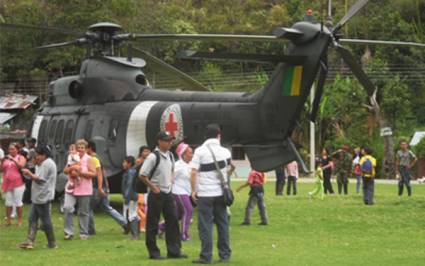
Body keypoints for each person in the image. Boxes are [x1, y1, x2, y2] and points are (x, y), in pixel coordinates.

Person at [139, 131, 186, 260]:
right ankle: (154, 252)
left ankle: (174, 250)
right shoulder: (153, 157)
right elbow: (143, 175)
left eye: (171, 140)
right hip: (156, 194)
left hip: (167, 192)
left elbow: (171, 170)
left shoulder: (170, 155)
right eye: (167, 140)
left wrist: (170, 182)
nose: (170, 142)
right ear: (159, 141)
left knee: (173, 221)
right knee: (153, 223)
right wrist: (154, 188)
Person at [191, 124, 232, 264]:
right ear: (219, 135)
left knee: (205, 226)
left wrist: (193, 190)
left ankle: (206, 256)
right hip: (221, 193)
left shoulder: (199, 151)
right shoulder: (226, 152)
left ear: (205, 136)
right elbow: (228, 169)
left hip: (204, 194)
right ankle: (225, 255)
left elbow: (194, 172)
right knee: (223, 224)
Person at [19, 145, 57, 249]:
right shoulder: (42, 163)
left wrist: (29, 173)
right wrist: (33, 168)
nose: (36, 157)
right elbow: (36, 177)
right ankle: (30, 241)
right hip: (38, 196)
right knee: (32, 218)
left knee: (45, 220)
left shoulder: (47, 163)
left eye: (38, 155)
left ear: (44, 155)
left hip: (43, 196)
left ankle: (52, 243)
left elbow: (41, 179)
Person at [87, 140, 127, 235]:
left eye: (85, 148)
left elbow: (99, 174)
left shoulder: (93, 159)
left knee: (88, 208)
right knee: (107, 207)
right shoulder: (98, 158)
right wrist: (106, 186)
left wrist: (100, 187)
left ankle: (90, 230)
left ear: (90, 148)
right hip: (104, 187)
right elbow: (103, 172)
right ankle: (124, 223)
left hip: (97, 187)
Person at [63, 139, 96, 240]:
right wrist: (72, 168)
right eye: (79, 148)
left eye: (83, 147)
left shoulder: (90, 159)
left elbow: (93, 173)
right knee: (67, 208)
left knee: (83, 212)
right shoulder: (72, 158)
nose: (80, 149)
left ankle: (83, 233)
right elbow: (65, 170)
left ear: (86, 149)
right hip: (71, 188)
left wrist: (80, 173)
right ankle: (68, 232)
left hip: (84, 188)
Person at [1, 143, 27, 226]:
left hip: (18, 183)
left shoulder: (21, 157)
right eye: (9, 149)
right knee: (8, 203)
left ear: (17, 150)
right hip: (8, 182)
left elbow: (21, 166)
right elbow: (1, 169)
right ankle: (8, 221)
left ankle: (19, 221)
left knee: (18, 202)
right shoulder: (6, 159)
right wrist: (2, 161)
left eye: (13, 149)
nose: (11, 151)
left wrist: (13, 159)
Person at [172, 142, 194, 241]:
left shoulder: (190, 165)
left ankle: (161, 228)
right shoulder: (178, 165)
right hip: (178, 191)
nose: (192, 155)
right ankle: (184, 235)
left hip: (186, 192)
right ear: (183, 154)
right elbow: (170, 178)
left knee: (178, 214)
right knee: (188, 210)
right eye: (190, 153)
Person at [121, 156, 140, 240]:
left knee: (132, 215)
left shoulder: (130, 172)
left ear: (129, 163)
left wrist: (127, 196)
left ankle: (135, 235)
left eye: (124, 162)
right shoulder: (130, 172)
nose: (123, 164)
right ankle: (135, 233)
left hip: (131, 196)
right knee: (132, 214)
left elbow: (129, 184)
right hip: (132, 195)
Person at [22, 138, 37, 204]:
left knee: (28, 185)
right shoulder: (36, 149)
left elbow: (27, 159)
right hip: (34, 168)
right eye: (28, 142)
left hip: (31, 168)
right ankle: (29, 199)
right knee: (30, 185)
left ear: (33, 143)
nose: (29, 143)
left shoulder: (31, 150)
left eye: (30, 142)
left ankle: (26, 200)